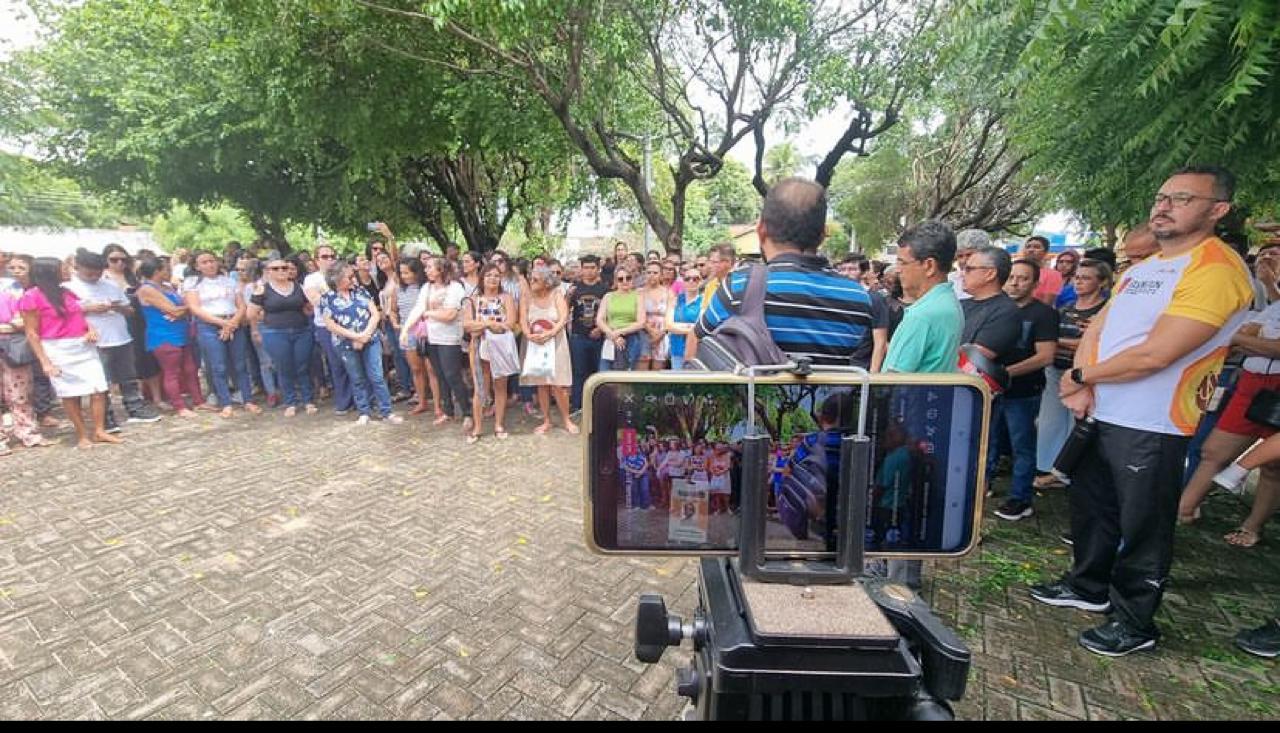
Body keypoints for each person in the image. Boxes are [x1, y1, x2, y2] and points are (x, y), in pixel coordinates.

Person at [1034, 165, 1254, 657]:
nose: (1164, 205)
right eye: (1161, 196)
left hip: (1155, 421)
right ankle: (1086, 587)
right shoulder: (1142, 268)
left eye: (1182, 198)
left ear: (1217, 210)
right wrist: (1081, 384)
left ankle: (1135, 621)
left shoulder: (1217, 270)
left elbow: (1157, 354)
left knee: (1144, 525)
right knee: (1092, 507)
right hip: (1102, 408)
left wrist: (1082, 377)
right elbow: (1098, 329)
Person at [694, 179, 874, 366]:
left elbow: (698, 337)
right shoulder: (859, 297)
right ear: (822, 235)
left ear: (761, 230)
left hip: (755, 395)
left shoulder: (738, 286)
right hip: (831, 396)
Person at [1176, 289, 1280, 525]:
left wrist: (1241, 339)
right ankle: (1184, 509)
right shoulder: (1275, 307)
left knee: (1274, 467)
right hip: (1251, 382)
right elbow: (1243, 337)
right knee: (1212, 452)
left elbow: (1249, 341)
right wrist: (1250, 340)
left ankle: (1252, 527)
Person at [19, 258, 122, 448]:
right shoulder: (32, 296)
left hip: (82, 345)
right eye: (62, 268)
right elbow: (31, 332)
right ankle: (82, 434)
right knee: (70, 393)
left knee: (98, 388)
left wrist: (90, 329)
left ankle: (99, 430)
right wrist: (45, 361)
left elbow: (80, 314)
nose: (67, 271)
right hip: (56, 347)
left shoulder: (67, 292)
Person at [990, 259, 1059, 521]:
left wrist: (1004, 373)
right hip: (990, 389)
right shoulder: (997, 309)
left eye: (1023, 278)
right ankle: (982, 489)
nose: (1015, 283)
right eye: (1012, 277)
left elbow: (1045, 356)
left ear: (1035, 283)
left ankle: (1020, 498)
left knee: (1023, 446)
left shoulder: (1043, 314)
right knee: (988, 443)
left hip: (1022, 390)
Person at [1035, 259, 1112, 488]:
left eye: (1086, 277)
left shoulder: (1104, 312)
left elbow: (1095, 345)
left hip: (1085, 376)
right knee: (1050, 422)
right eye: (1078, 277)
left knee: (1077, 425)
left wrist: (1061, 342)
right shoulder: (1064, 310)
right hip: (1056, 371)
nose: (1079, 282)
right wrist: (1069, 343)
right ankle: (1049, 467)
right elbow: (1047, 341)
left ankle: (1068, 471)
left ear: (1102, 283)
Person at [65, 250, 162, 430]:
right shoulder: (68, 289)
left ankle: (134, 407)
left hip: (120, 336)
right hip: (94, 341)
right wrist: (89, 308)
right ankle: (106, 415)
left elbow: (130, 310)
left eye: (98, 273)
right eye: (89, 273)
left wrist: (118, 307)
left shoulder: (110, 285)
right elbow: (63, 315)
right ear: (77, 267)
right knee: (102, 381)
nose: (94, 277)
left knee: (128, 376)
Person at [319, 262, 401, 425]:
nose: (352, 280)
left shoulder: (360, 291)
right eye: (349, 277)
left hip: (370, 340)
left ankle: (387, 411)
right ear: (337, 279)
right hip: (345, 343)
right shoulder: (327, 298)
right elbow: (330, 324)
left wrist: (365, 335)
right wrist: (355, 336)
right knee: (357, 378)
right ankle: (364, 411)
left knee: (377, 376)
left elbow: (374, 314)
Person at [401, 257, 472, 434]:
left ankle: (467, 412)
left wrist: (428, 313)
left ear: (441, 269)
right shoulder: (427, 288)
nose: (426, 270)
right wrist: (405, 329)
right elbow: (417, 309)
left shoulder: (455, 287)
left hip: (449, 338)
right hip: (431, 338)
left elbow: (450, 314)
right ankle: (448, 411)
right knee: (440, 375)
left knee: (452, 374)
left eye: (430, 267)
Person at [183, 250, 258, 417]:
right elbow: (195, 308)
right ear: (197, 266)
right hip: (210, 325)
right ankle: (225, 402)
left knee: (240, 364)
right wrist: (222, 323)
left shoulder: (229, 281)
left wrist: (232, 322)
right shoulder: (193, 284)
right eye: (204, 262)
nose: (209, 265)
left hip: (233, 322)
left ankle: (247, 399)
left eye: (212, 260)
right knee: (218, 366)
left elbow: (241, 305)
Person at [136, 259, 206, 417]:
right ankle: (179, 406)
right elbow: (174, 310)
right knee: (171, 371)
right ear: (157, 272)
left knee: (190, 368)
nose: (170, 273)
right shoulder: (147, 289)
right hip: (163, 334)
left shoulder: (167, 287)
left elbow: (180, 308)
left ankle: (198, 400)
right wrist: (190, 307)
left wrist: (185, 308)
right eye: (166, 270)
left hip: (181, 331)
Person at [248, 257, 316, 417]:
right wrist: (256, 329)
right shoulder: (262, 290)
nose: (281, 271)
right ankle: (290, 401)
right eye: (276, 268)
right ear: (268, 272)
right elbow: (250, 313)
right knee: (284, 367)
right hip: (275, 332)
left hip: (301, 331)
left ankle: (308, 400)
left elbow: (308, 307)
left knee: (303, 366)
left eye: (284, 268)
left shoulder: (299, 287)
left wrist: (307, 311)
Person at [520, 267, 577, 436]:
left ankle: (566, 419)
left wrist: (551, 333)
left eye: (535, 279)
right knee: (541, 383)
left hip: (556, 343)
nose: (532, 282)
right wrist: (528, 334)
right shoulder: (526, 298)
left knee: (559, 384)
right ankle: (546, 420)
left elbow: (563, 318)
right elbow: (522, 319)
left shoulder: (556, 295)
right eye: (531, 279)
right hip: (535, 344)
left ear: (546, 282)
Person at [466, 263, 519, 440]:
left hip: (501, 348)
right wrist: (489, 324)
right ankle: (478, 427)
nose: (492, 279)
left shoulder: (506, 298)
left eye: (496, 275)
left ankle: (498, 424)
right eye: (488, 275)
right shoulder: (473, 300)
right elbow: (467, 325)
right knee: (480, 388)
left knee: (500, 386)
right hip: (479, 347)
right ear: (482, 278)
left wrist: (485, 325)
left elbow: (510, 323)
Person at [0, 273, 49, 452]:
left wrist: (16, 324)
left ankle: (28, 433)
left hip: (14, 345)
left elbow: (26, 318)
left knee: (21, 393)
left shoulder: (12, 287)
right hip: (10, 335)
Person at [566, 254, 609, 411]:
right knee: (578, 372)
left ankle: (597, 407)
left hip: (599, 337)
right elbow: (564, 311)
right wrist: (567, 297)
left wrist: (600, 328)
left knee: (598, 373)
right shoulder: (575, 289)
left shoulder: (605, 289)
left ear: (598, 269)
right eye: (585, 267)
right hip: (578, 336)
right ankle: (577, 407)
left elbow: (609, 313)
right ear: (581, 269)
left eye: (592, 268)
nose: (589, 271)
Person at [596, 268, 645, 371]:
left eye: (628, 278)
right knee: (605, 372)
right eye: (620, 279)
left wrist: (619, 332)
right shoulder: (608, 296)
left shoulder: (638, 296)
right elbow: (600, 320)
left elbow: (641, 322)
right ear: (615, 281)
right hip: (611, 337)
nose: (625, 281)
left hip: (631, 338)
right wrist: (613, 335)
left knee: (626, 375)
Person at [665, 264, 703, 370]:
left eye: (695, 279)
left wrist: (677, 327)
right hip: (676, 349)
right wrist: (691, 328)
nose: (691, 281)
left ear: (701, 281)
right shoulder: (674, 300)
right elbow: (668, 325)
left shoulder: (704, 301)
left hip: (696, 351)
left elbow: (701, 327)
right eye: (687, 279)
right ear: (683, 281)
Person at [636, 261, 669, 370]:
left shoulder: (669, 293)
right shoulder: (639, 292)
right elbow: (636, 314)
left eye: (655, 272)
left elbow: (671, 316)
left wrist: (661, 333)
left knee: (658, 374)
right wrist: (650, 330)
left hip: (662, 334)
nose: (652, 275)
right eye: (649, 272)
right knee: (642, 372)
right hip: (643, 333)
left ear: (661, 275)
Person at [1020, 236, 1063, 306]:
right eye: (1028, 247)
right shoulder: (1016, 270)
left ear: (1045, 252)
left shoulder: (1053, 275)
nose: (1031, 250)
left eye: (1036, 247)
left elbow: (1047, 303)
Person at [949, 229, 990, 301]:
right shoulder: (949, 280)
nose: (964, 261)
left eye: (969, 255)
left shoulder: (992, 280)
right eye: (960, 256)